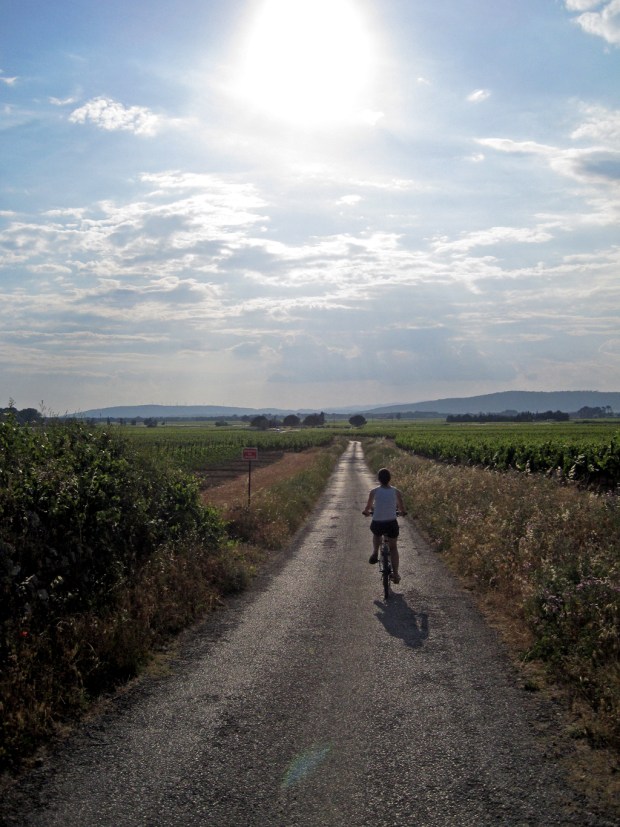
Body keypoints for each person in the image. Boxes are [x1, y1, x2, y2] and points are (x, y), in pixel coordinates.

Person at [362, 468, 407, 583]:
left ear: (379, 479)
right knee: (393, 547)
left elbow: (368, 507)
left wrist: (366, 512)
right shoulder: (396, 492)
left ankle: (375, 552)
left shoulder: (374, 491)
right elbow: (401, 508)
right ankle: (395, 574)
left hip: (378, 522)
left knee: (376, 534)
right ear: (389, 478)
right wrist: (402, 512)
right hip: (391, 523)